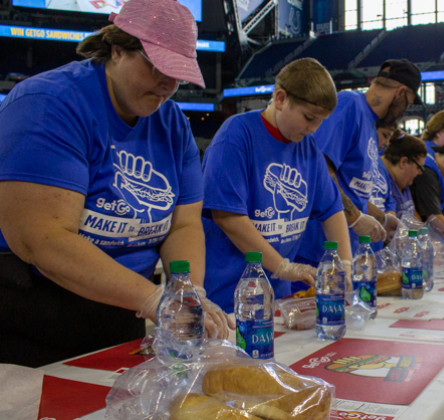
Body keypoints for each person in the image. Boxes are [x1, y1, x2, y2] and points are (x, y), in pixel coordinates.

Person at [0, 0, 232, 367]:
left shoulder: (172, 122)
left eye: (178, 74)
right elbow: (42, 239)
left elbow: (184, 223)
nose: (167, 85)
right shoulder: (49, 103)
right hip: (34, 306)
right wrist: (155, 300)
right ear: (117, 49)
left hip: (120, 304)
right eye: (156, 66)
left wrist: (187, 291)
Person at [201, 58, 352, 310]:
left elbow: (332, 210)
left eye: (321, 121)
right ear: (280, 99)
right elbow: (228, 218)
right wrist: (282, 266)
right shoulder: (236, 136)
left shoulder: (307, 146)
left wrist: (345, 264)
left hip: (276, 297)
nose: (314, 129)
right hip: (230, 298)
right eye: (309, 118)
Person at [296, 59, 421, 268]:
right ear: (400, 92)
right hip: (320, 253)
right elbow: (319, 173)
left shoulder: (369, 123)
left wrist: (382, 218)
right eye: (408, 102)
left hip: (347, 252)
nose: (404, 110)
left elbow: (352, 190)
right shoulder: (349, 105)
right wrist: (354, 218)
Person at [380, 131, 428, 219]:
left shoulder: (402, 182)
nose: (420, 173)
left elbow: (412, 214)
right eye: (419, 168)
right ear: (404, 162)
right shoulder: (381, 182)